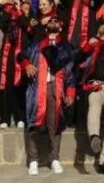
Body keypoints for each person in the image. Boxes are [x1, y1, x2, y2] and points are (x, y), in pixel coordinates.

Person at [21, 13, 75, 176]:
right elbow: (21, 55)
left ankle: (55, 158)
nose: (52, 22)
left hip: (56, 88)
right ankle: (33, 160)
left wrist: (71, 90)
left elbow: (71, 71)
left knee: (55, 124)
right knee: (34, 124)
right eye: (50, 20)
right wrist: (27, 64)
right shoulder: (36, 44)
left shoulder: (66, 47)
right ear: (46, 26)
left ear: (61, 26)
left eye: (56, 20)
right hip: (37, 88)